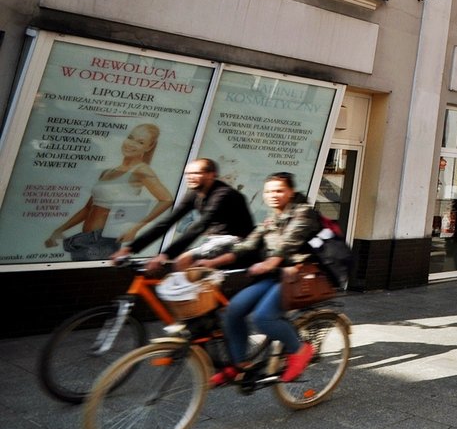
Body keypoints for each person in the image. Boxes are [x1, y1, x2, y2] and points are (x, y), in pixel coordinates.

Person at [200, 172, 320, 386]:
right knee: (232, 311)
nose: (273, 195)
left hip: (298, 275)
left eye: (279, 190)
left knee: (263, 318)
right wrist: (212, 262)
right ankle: (239, 366)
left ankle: (300, 350)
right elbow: (247, 246)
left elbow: (288, 243)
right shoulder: (271, 219)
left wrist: (268, 263)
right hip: (274, 276)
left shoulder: (304, 213)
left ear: (291, 192)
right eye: (269, 191)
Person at [45, 123, 174, 261]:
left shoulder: (141, 170)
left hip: (103, 241)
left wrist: (135, 228)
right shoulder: (107, 172)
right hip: (85, 239)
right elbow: (88, 209)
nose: (131, 144)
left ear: (149, 147)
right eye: (130, 137)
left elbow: (166, 200)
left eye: (140, 142)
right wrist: (59, 230)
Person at [112, 158, 255, 271]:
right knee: (184, 269)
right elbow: (167, 222)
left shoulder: (224, 194)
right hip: (215, 241)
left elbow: (200, 227)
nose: (190, 177)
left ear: (211, 175)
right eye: (187, 174)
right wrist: (129, 249)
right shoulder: (194, 195)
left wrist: (165, 255)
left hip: (237, 242)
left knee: (183, 261)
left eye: (196, 173)